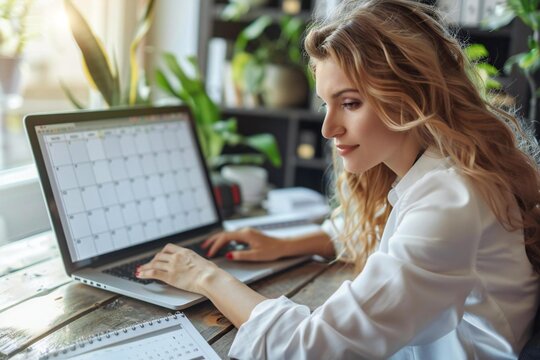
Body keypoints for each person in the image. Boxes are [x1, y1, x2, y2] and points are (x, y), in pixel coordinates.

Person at [137, 0, 540, 358]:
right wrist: (287, 243)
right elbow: (400, 236)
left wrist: (206, 276)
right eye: (326, 104)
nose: (329, 128)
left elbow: (308, 347)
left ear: (410, 94)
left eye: (350, 103)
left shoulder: (451, 200)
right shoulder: (442, 172)